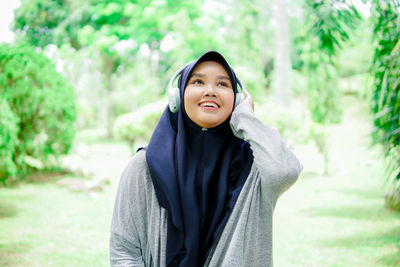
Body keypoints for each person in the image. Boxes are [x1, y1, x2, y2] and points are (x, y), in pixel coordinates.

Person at [110, 51, 303, 267]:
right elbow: (124, 253)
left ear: (237, 98)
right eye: (198, 82)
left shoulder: (255, 168)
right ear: (178, 95)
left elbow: (285, 171)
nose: (210, 91)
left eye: (222, 84)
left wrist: (246, 118)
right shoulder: (145, 166)